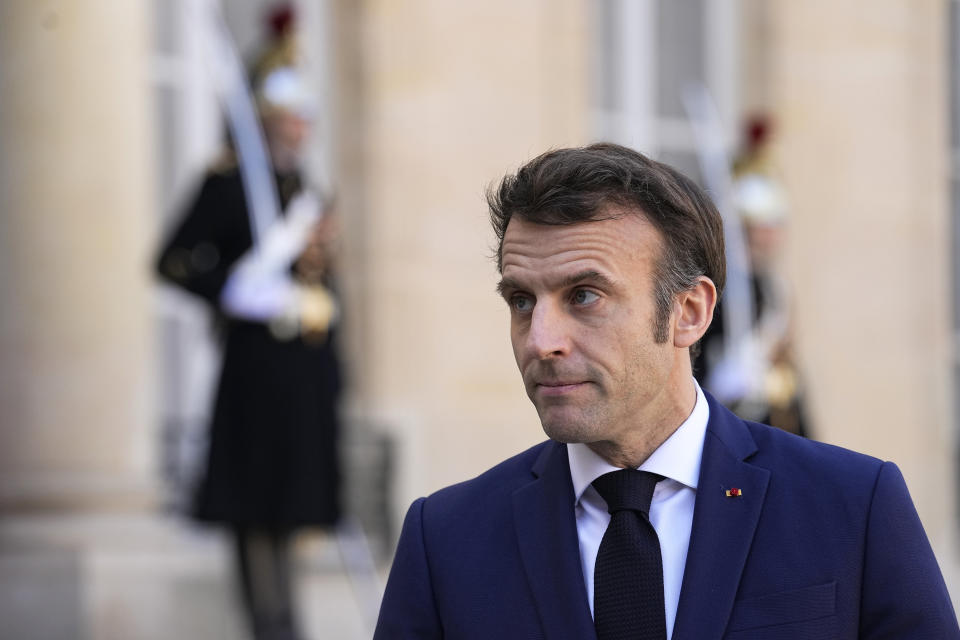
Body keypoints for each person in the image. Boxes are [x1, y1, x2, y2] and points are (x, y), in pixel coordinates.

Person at [374, 143, 959, 639]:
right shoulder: (445, 540)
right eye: (522, 301)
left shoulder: (853, 506)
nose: (540, 340)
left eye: (584, 295)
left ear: (689, 312)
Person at [156, 48, 341, 640]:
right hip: (254, 374)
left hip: (301, 374)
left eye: (305, 116)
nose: (301, 126)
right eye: (290, 115)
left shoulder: (303, 190)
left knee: (292, 509)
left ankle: (286, 621)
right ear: (264, 119)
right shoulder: (228, 182)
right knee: (253, 508)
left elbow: (319, 277)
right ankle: (269, 626)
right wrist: (233, 294)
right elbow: (174, 262)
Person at [694, 115, 811, 436]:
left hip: (771, 413)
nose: (771, 236)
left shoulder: (774, 284)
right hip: (727, 412)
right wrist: (720, 375)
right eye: (763, 227)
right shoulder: (718, 283)